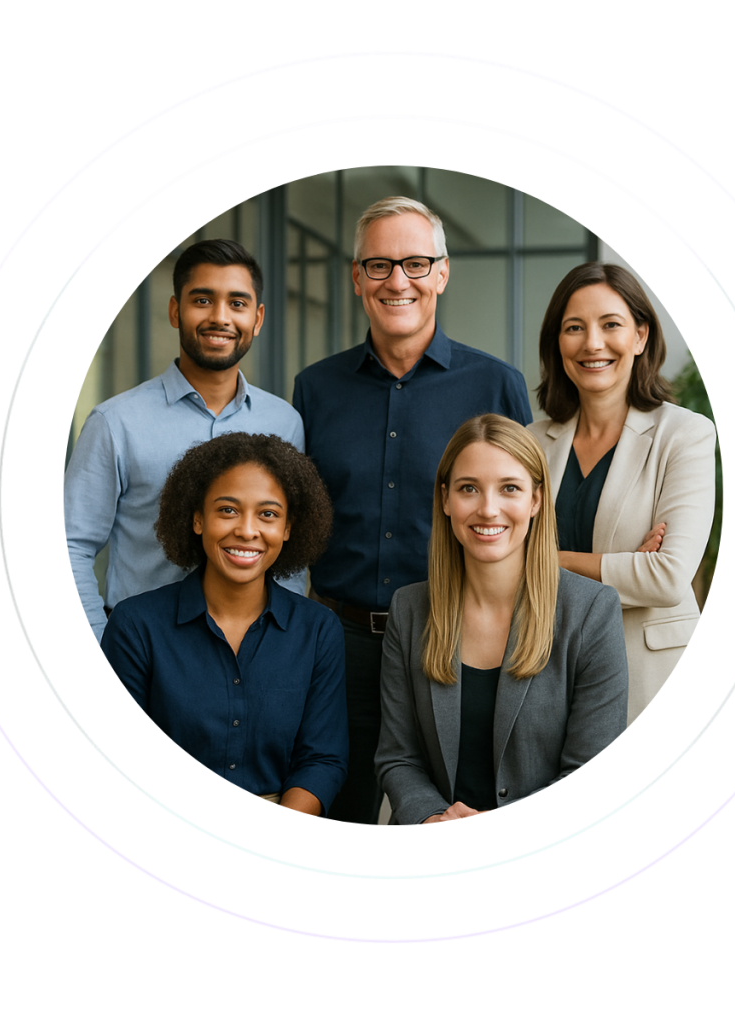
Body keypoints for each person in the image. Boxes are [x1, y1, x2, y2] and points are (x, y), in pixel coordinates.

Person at [292, 197, 533, 825]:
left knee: (445, 811)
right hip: (340, 645)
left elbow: (525, 514)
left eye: (416, 263)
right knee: (338, 810)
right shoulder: (315, 389)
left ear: (443, 273)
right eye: (379, 264)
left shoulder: (496, 387)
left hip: (453, 639)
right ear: (356, 277)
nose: (398, 281)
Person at [375, 415, 627, 825]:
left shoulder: (591, 612)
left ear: (536, 500)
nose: (487, 509)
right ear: (445, 499)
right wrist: (432, 817)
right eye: (468, 488)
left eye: (509, 488)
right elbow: (398, 757)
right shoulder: (409, 609)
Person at [64, 239, 306, 645]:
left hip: (253, 650)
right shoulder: (116, 422)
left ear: (258, 318)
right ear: (176, 310)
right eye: (203, 300)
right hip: (144, 651)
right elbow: (70, 544)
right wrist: (104, 641)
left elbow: (289, 554)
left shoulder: (284, 422)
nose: (220, 317)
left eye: (238, 303)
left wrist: (285, 644)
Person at [100, 433, 348, 816]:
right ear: (198, 518)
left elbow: (322, 760)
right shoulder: (135, 626)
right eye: (227, 510)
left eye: (267, 514)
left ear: (287, 528)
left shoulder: (318, 629)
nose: (247, 530)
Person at [527, 262, 716, 727]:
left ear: (640, 336)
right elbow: (501, 566)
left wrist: (553, 561)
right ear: (558, 342)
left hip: (648, 677)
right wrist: (625, 564)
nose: (592, 343)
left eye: (610, 324)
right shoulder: (529, 442)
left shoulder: (685, 434)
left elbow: (668, 578)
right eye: (574, 328)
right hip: (545, 676)